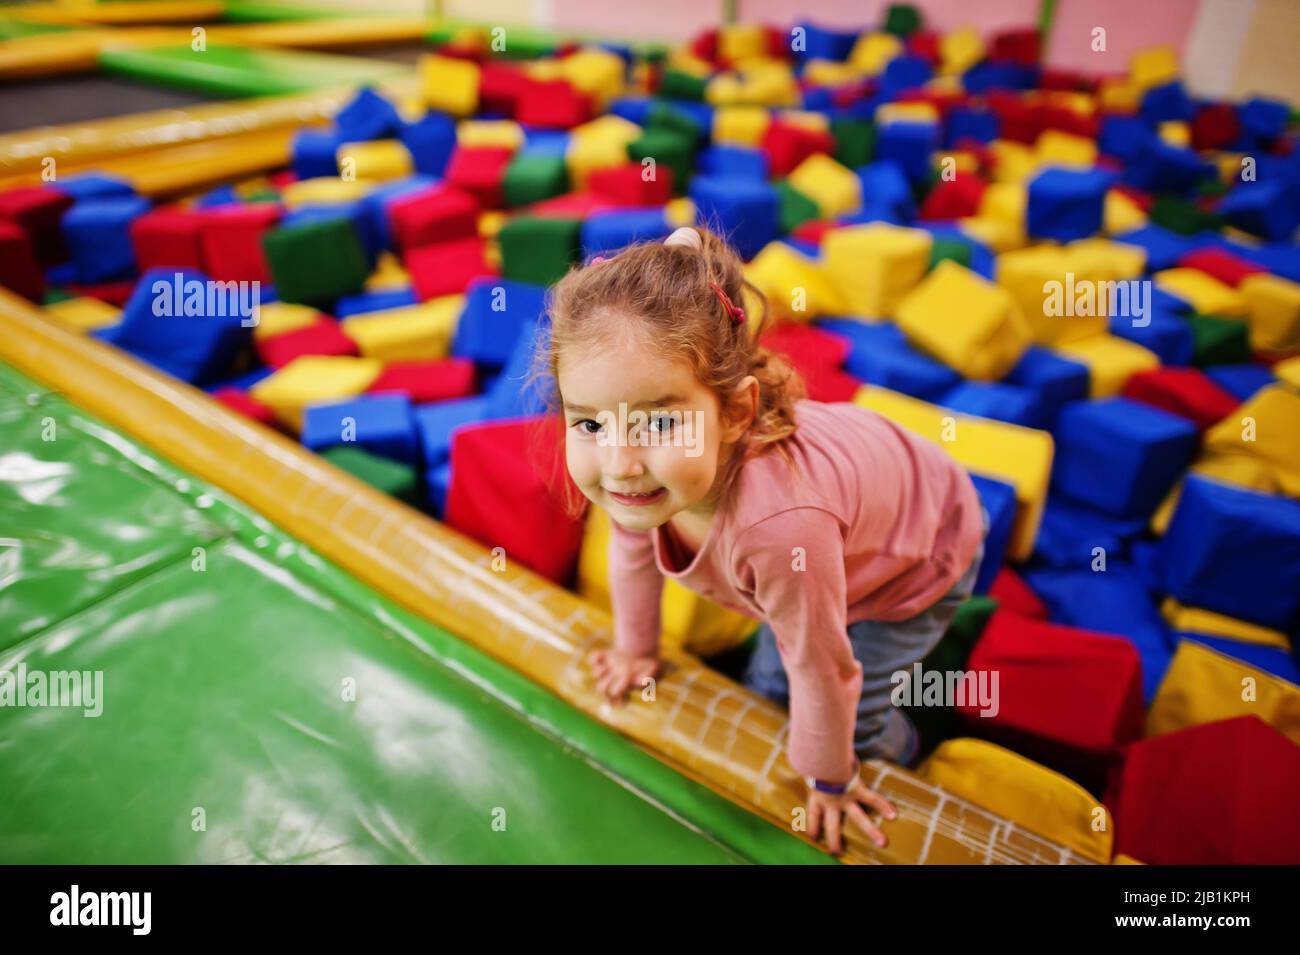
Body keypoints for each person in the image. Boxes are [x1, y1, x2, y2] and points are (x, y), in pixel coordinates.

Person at [538, 224, 986, 854]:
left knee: (820, 709)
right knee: (773, 682)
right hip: (847, 519)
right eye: (586, 422)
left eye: (660, 421)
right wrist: (636, 650)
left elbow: (822, 663)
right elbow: (632, 553)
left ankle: (901, 742)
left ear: (738, 413)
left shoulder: (777, 529)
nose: (618, 462)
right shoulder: (641, 474)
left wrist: (831, 781)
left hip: (923, 549)